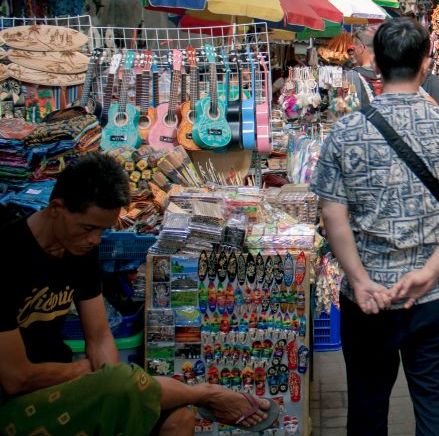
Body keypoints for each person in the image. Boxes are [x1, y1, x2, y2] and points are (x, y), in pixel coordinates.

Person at [0, 153, 276, 435]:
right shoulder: (7, 256)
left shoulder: (78, 248)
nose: (95, 239)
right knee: (120, 383)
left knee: (178, 419)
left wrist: (114, 384)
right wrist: (94, 375)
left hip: (68, 383)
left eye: (103, 230)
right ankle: (207, 394)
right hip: (14, 402)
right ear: (57, 208)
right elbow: (16, 378)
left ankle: (201, 395)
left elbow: (99, 336)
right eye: (88, 228)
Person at [311, 18, 439, 436]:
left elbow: (332, 214)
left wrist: (357, 280)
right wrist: (429, 274)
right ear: (426, 64)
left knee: (368, 406)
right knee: (433, 405)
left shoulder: (346, 132)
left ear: (375, 64)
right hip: (437, 294)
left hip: (368, 297)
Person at [344, 27, 380, 107]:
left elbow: (348, 108)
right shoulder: (390, 73)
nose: (354, 53)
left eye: (354, 49)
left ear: (361, 48)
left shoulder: (351, 75)